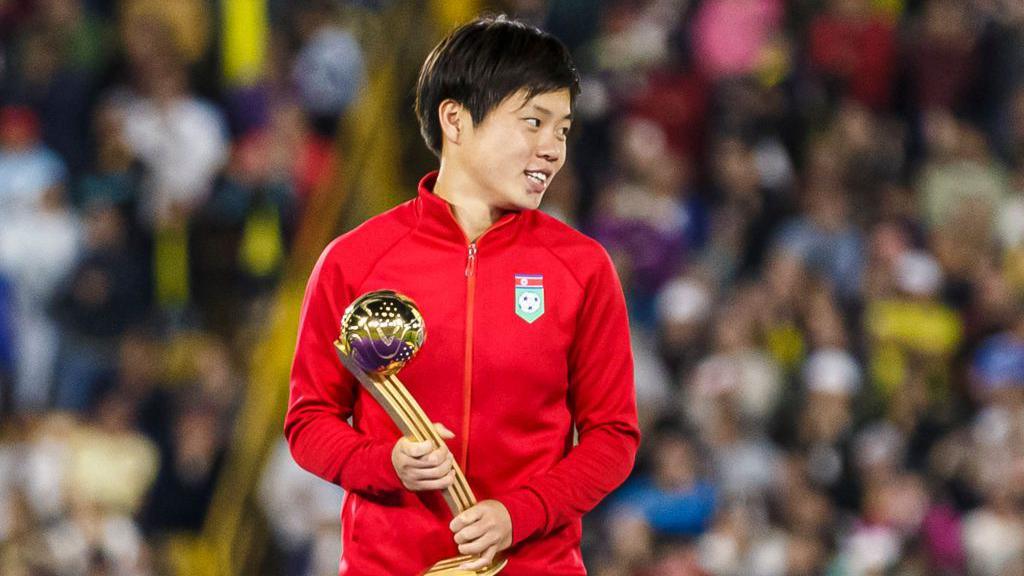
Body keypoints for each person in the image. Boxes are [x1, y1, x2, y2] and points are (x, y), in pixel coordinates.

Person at [284, 15, 640, 576]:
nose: (552, 149)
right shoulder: (355, 261)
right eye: (533, 122)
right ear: (455, 118)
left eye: (563, 129)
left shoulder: (582, 269)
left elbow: (613, 437)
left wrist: (520, 514)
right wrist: (386, 463)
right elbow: (309, 422)